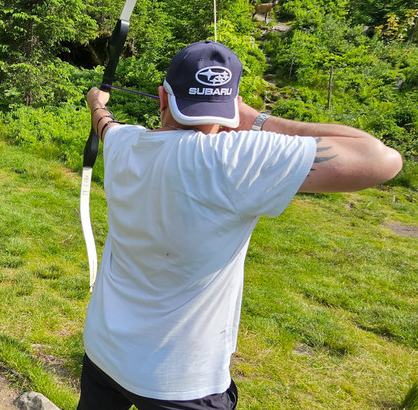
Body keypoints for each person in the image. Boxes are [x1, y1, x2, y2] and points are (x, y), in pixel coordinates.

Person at [79, 40, 403, 410]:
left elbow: (106, 124)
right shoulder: (234, 158)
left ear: (162, 98)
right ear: (232, 105)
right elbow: (383, 158)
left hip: (104, 350)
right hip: (179, 380)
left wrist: (96, 102)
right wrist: (256, 118)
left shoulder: (125, 142)